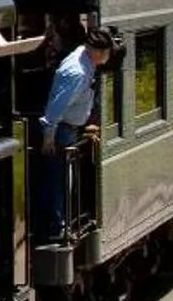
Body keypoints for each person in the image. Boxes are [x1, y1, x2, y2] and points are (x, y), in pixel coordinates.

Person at [33, 25, 115, 247]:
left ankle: (57, 222)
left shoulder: (84, 58)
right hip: (60, 131)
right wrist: (48, 138)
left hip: (69, 128)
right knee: (58, 179)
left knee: (61, 177)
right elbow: (55, 110)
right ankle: (56, 226)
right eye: (107, 52)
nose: (108, 56)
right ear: (98, 52)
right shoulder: (77, 72)